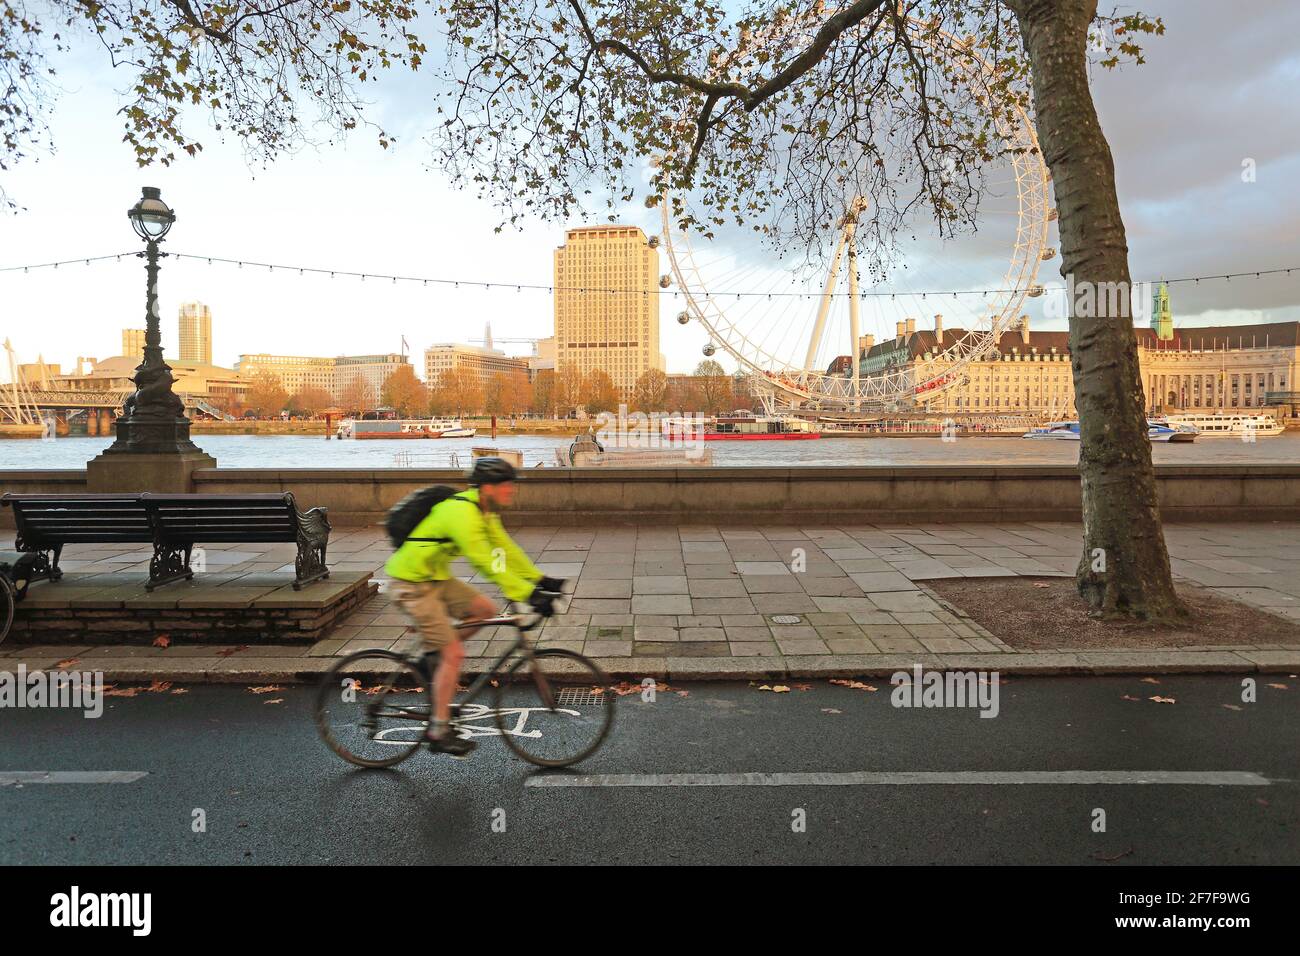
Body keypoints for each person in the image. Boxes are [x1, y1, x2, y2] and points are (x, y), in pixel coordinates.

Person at [384, 457, 565, 757]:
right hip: (410, 583)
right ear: (487, 488)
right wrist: (529, 595)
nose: (512, 491)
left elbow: (505, 550)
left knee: (484, 609)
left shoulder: (485, 512)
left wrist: (540, 579)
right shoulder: (462, 513)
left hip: (435, 578)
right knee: (454, 653)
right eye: (506, 486)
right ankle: (438, 730)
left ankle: (430, 657)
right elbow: (485, 561)